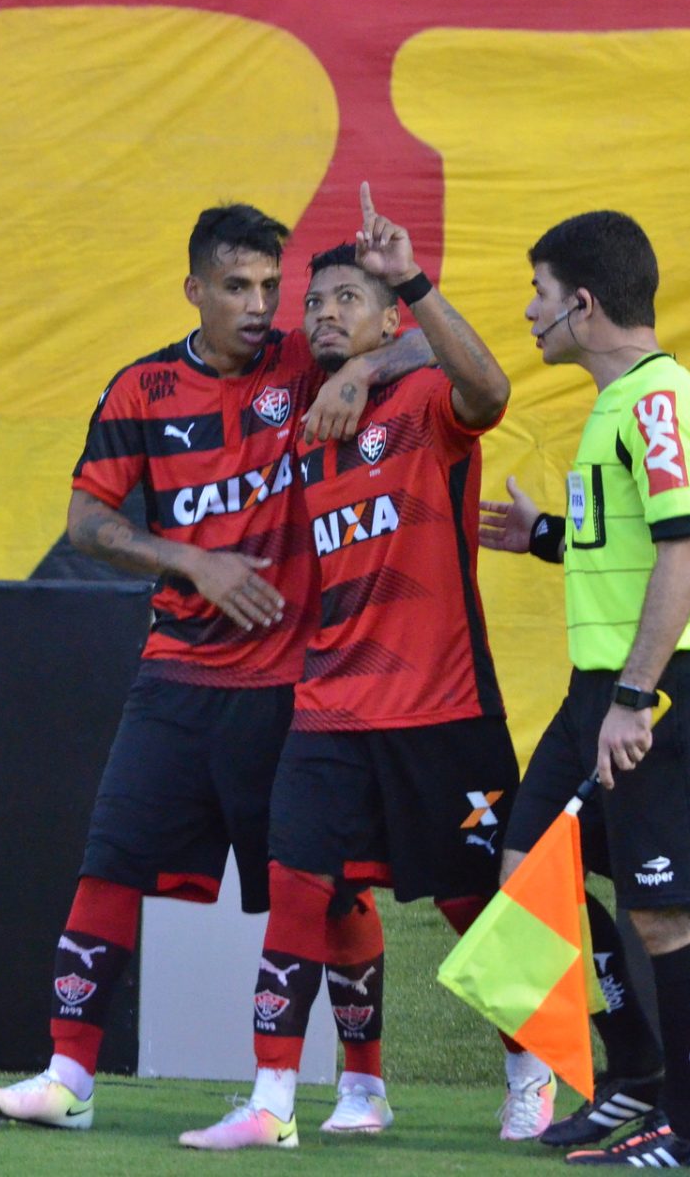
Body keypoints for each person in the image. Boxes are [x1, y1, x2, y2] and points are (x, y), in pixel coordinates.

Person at [0, 203, 434, 1133]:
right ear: (194, 290)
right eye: (236, 287)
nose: (260, 306)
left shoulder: (307, 359)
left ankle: (364, 1086)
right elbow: (86, 523)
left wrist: (363, 370)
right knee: (109, 864)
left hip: (298, 682)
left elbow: (437, 351)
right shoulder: (141, 390)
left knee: (329, 888)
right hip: (176, 674)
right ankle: (68, 1079)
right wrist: (191, 562)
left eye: (270, 286)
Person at [177, 187, 552, 1150]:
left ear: (388, 318)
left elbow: (489, 388)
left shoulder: (425, 401)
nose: (324, 314)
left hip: (442, 706)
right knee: (301, 888)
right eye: (316, 302)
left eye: (349, 299)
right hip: (330, 704)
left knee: (479, 908)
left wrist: (404, 298)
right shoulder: (302, 411)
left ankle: (532, 1070)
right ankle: (273, 1100)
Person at [480, 211, 690, 1168]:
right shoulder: (616, 404)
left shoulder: (658, 401)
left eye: (539, 294)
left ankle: (689, 1129)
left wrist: (634, 698)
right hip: (599, 692)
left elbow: (686, 548)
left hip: (659, 697)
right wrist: (548, 536)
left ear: (582, 304)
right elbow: (632, 544)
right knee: (527, 877)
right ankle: (632, 1073)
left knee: (666, 914)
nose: (529, 312)